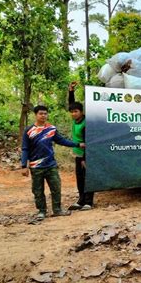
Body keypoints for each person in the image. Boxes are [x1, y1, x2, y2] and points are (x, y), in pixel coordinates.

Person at [21, 105, 84, 221]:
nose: (43, 116)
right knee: (38, 190)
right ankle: (41, 211)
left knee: (56, 187)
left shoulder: (51, 129)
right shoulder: (29, 130)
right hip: (36, 166)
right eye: (41, 113)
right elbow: (25, 148)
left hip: (51, 165)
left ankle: (57, 209)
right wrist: (24, 165)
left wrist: (77, 144)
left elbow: (62, 141)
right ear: (36, 115)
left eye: (45, 113)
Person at [68, 82, 94, 210]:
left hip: (86, 155)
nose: (73, 114)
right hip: (78, 154)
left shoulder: (85, 123)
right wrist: (71, 91)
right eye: (72, 112)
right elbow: (71, 104)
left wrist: (84, 158)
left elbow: (88, 142)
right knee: (79, 178)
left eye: (76, 111)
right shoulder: (75, 120)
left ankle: (89, 202)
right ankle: (81, 200)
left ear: (81, 112)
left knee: (87, 177)